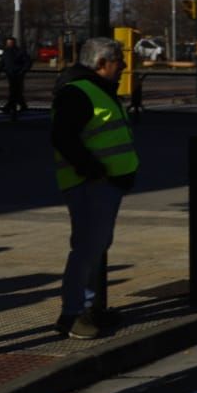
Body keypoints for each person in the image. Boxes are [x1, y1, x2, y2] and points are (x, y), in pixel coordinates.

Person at [51, 37, 136, 340]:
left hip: (103, 183)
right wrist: (92, 170)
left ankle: (86, 308)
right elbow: (63, 137)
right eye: (119, 60)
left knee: (94, 247)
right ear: (101, 64)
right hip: (90, 184)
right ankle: (73, 314)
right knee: (87, 248)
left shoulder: (97, 90)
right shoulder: (79, 92)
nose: (125, 65)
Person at [0, 36, 31, 118]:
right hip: (10, 74)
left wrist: (22, 71)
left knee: (14, 91)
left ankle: (9, 108)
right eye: (8, 43)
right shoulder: (6, 52)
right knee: (16, 92)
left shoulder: (19, 52)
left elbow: (28, 62)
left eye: (10, 43)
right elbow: (2, 62)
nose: (9, 44)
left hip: (17, 74)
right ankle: (21, 106)